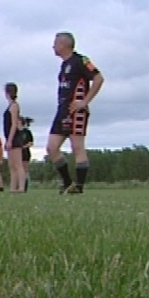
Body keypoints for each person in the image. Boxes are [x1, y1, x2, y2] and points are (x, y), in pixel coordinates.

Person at [47, 31, 104, 194]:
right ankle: (67, 183)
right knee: (52, 147)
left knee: (77, 147)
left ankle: (78, 187)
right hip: (63, 110)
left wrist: (85, 101)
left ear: (64, 44)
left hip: (76, 111)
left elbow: (99, 78)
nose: (53, 46)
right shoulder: (64, 65)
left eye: (55, 43)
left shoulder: (81, 60)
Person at [3, 82, 26, 193]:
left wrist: (10, 140)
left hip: (14, 138)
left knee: (18, 164)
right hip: (9, 137)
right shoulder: (10, 105)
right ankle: (13, 188)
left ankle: (21, 187)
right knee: (12, 166)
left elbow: (14, 124)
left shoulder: (14, 106)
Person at [20, 117, 34, 191]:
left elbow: (31, 143)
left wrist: (24, 146)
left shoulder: (27, 132)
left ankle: (25, 185)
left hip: (25, 152)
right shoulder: (15, 132)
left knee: (24, 169)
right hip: (17, 153)